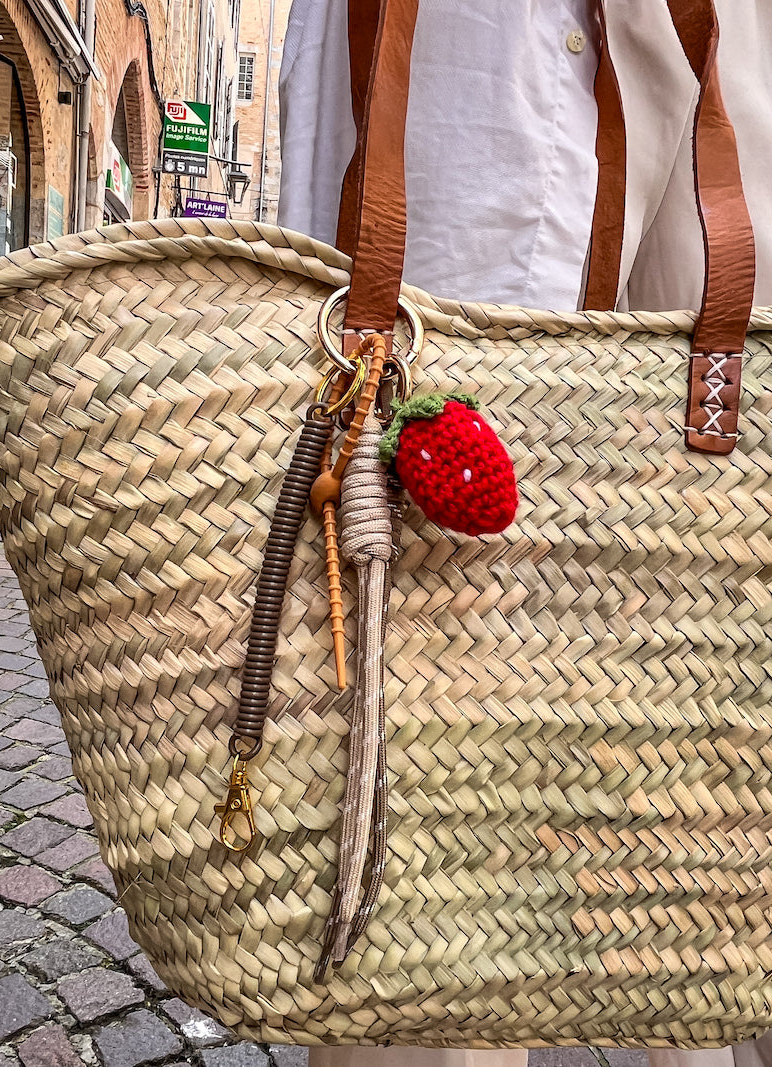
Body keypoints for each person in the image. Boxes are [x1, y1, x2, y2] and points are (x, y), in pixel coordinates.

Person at [276, 2, 772, 1065]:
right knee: (432, 615)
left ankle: (689, 966)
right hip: (477, 39)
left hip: (725, 29)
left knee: (712, 538)